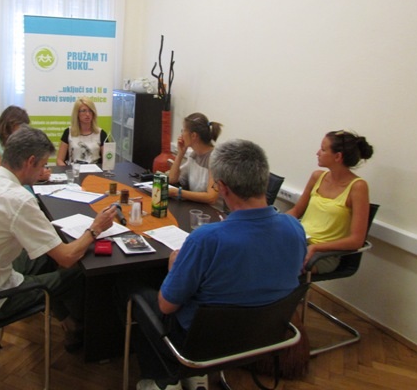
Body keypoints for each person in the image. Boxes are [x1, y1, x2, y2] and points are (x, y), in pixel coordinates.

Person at [122, 139, 307, 390]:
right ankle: (194, 376)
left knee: (132, 289)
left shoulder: (206, 239)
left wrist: (175, 268)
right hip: (264, 336)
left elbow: (166, 305)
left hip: (202, 342)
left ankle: (164, 380)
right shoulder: (295, 228)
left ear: (222, 188)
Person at [0, 124, 117, 352]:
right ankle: (81, 331)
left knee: (46, 254)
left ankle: (65, 318)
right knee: (78, 273)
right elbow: (67, 257)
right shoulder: (18, 199)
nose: (43, 171)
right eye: (42, 165)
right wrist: (95, 229)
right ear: (30, 161)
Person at [287, 130, 374, 274]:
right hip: (298, 241)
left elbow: (356, 240)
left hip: (322, 254)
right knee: (255, 249)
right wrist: (275, 224)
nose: (317, 153)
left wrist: (316, 247)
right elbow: (296, 211)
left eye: (323, 149)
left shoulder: (358, 187)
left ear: (338, 156)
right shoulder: (317, 177)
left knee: (273, 263)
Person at [0, 105, 51, 181]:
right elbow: (1, 172)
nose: (23, 130)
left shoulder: (16, 141)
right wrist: (35, 176)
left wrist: (38, 171)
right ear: (11, 124)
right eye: (21, 126)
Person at [167, 112, 222, 206]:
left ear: (193, 136)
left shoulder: (214, 158)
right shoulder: (194, 155)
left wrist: (178, 192)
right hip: (198, 208)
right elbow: (172, 179)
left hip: (214, 211)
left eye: (183, 130)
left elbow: (211, 197)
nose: (181, 135)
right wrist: (180, 154)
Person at [56, 97, 107, 166]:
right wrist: (67, 171)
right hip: (73, 170)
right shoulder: (68, 132)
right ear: (77, 113)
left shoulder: (101, 134)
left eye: (90, 111)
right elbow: (59, 160)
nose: (87, 114)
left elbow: (107, 161)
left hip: (94, 171)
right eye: (83, 111)